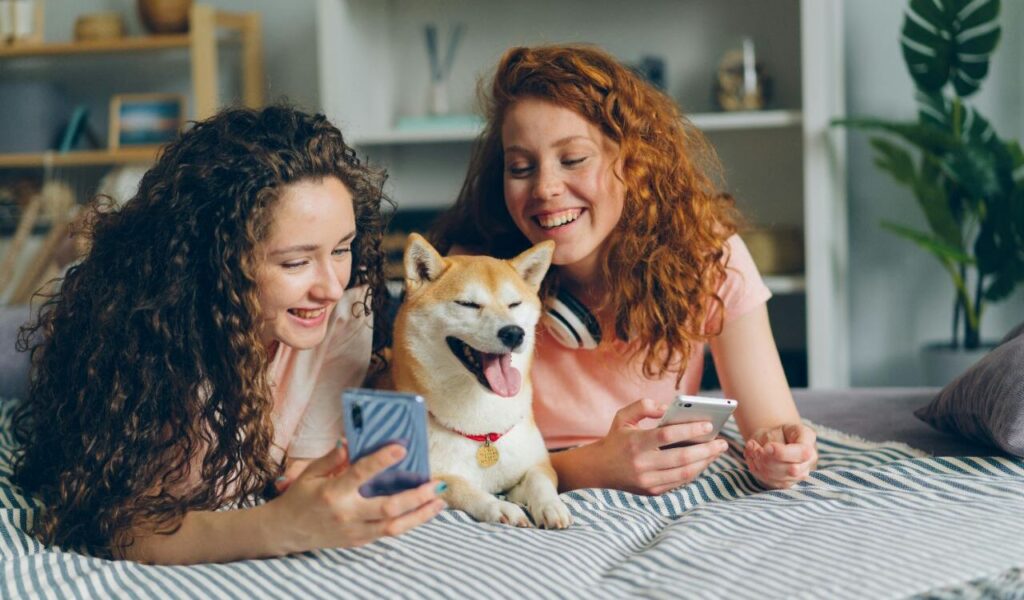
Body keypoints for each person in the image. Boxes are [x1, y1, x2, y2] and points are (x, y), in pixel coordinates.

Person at [11, 105, 446, 564]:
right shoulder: (156, 343)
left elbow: (299, 468)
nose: (332, 286)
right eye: (295, 262)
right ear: (219, 262)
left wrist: (317, 484)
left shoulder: (346, 306)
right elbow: (121, 523)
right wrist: (281, 526)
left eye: (341, 249)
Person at [431, 45, 818, 495]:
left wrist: (781, 452)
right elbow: (458, 458)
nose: (546, 188)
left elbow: (770, 423)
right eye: (521, 167)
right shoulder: (469, 279)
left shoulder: (707, 253)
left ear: (633, 164)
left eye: (573, 159)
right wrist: (590, 467)